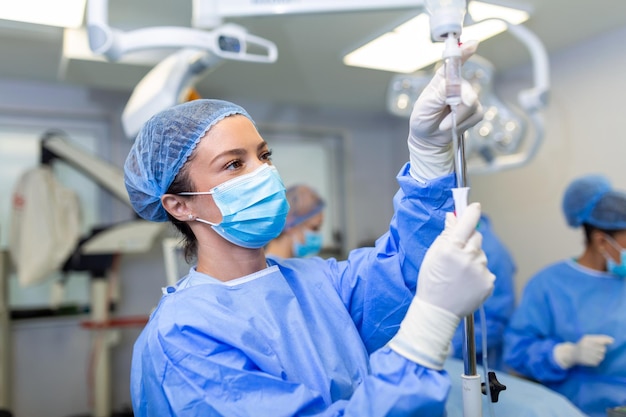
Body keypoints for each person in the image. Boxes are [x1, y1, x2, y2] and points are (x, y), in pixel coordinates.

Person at [125, 41, 495, 416]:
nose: (264, 172)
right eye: (234, 165)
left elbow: (403, 271)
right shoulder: (184, 336)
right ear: (179, 205)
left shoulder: (318, 283)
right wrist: (429, 327)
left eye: (264, 155)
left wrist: (429, 157)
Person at [503, 174, 626, 417]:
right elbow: (516, 352)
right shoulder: (549, 285)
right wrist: (565, 354)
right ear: (602, 241)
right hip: (571, 409)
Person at [451, 213, 517, 371]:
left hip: (475, 367)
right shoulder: (437, 242)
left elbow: (496, 322)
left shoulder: (491, 253)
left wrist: (451, 346)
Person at [265, 184, 325, 258]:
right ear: (290, 225)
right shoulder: (270, 268)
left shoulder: (289, 266)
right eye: (315, 228)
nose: (318, 235)